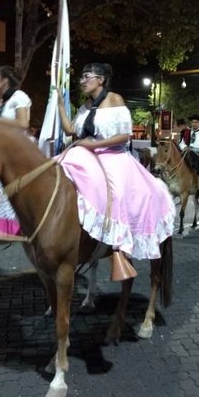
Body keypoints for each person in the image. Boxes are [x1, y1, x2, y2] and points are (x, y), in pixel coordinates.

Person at [57, 62, 174, 281]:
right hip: (86, 155)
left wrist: (92, 145)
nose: (82, 81)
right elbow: (71, 130)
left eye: (86, 76)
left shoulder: (115, 100)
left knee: (117, 193)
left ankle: (118, 247)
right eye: (81, 77)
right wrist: (60, 107)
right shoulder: (85, 105)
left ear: (100, 80)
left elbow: (124, 136)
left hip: (113, 156)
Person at [0, 66, 31, 238]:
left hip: (17, 147)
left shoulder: (20, 97)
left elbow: (23, 124)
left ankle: (14, 226)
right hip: (2, 146)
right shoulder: (4, 100)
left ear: (5, 80)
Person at [178, 114, 199, 199]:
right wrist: (184, 147)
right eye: (192, 122)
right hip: (187, 151)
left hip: (198, 152)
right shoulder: (187, 132)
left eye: (196, 122)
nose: (194, 124)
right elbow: (181, 142)